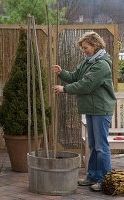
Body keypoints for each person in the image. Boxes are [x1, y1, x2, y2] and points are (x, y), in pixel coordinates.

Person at [54, 32, 116, 191]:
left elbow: (86, 85)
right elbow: (76, 76)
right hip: (91, 108)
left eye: (86, 47)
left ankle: (104, 180)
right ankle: (93, 176)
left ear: (95, 46)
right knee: (94, 145)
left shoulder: (101, 65)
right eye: (83, 48)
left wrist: (64, 89)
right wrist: (62, 73)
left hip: (101, 110)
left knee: (101, 147)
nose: (84, 50)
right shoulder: (88, 61)